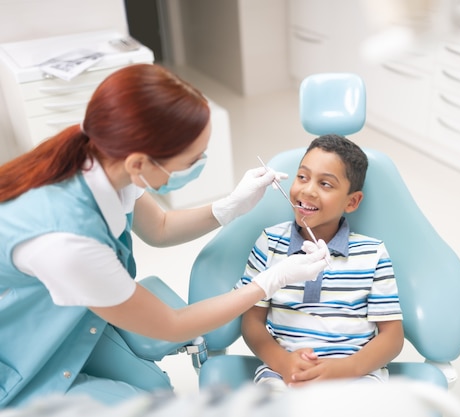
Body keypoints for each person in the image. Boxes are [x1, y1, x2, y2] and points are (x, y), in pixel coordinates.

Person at [0, 64, 329, 408]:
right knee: (143, 404)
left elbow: (159, 228)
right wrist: (274, 278)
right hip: (19, 352)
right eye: (191, 159)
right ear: (140, 163)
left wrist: (230, 206)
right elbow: (172, 325)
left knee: (153, 386)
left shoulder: (108, 157)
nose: (199, 163)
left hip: (73, 315)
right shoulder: (66, 241)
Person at [235, 134, 404, 394]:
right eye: (302, 177)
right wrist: (284, 363)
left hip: (355, 377)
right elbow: (252, 322)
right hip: (283, 375)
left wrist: (345, 369)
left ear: (352, 201)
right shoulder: (269, 243)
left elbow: (392, 337)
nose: (308, 190)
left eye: (325, 184)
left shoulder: (372, 254)